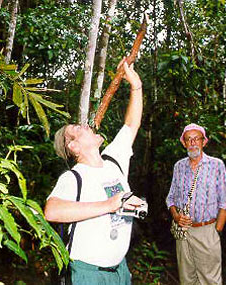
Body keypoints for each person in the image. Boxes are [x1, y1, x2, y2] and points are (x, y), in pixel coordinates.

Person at [44, 57, 145, 285]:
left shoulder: (114, 161)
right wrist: (111, 204)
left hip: (119, 272)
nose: (87, 126)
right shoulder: (73, 178)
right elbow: (51, 211)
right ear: (73, 146)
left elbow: (131, 124)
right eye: (79, 128)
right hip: (87, 275)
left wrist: (135, 85)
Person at [166, 123, 226, 285]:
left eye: (197, 139)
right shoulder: (179, 167)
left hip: (207, 231)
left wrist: (216, 231)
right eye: (189, 139)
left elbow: (225, 202)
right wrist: (176, 216)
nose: (193, 143)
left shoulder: (217, 165)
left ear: (204, 141)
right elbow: (171, 199)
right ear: (184, 143)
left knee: (210, 280)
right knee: (187, 280)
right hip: (184, 233)